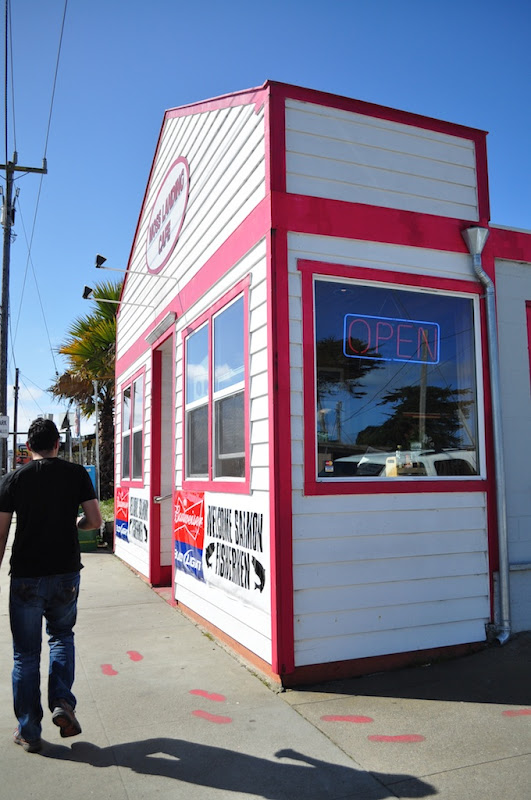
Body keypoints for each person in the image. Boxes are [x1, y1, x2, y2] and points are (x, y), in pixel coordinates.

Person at [0, 417, 102, 753]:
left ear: (28, 447)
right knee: (61, 636)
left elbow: (1, 534)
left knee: (25, 656)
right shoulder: (75, 475)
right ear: (57, 445)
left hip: (26, 577)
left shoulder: (12, 479)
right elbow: (94, 520)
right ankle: (61, 701)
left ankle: (29, 731)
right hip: (65, 575)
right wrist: (76, 523)